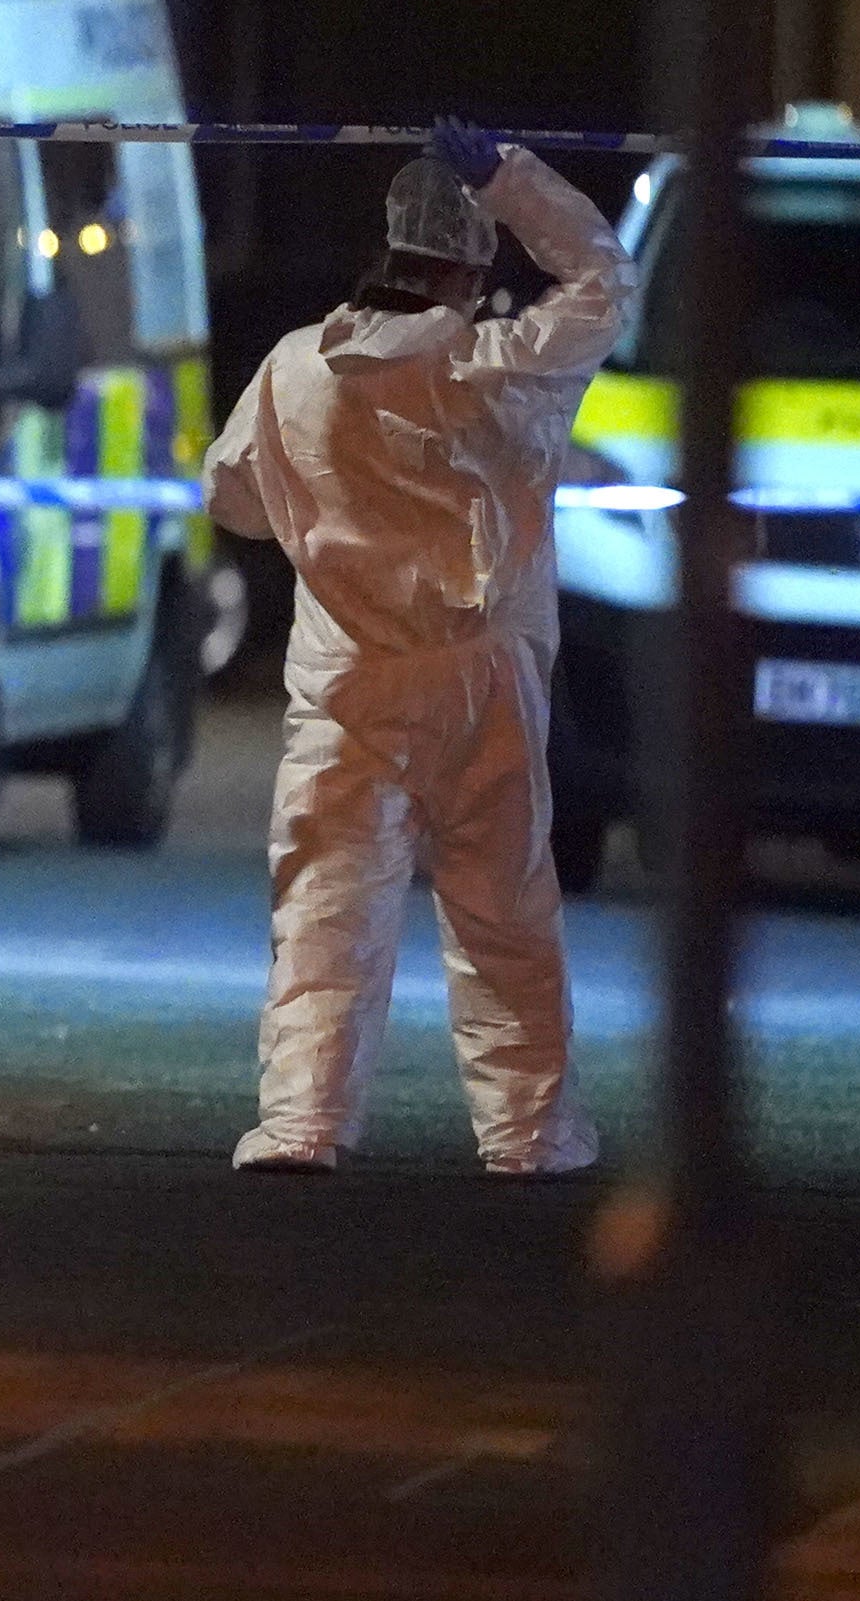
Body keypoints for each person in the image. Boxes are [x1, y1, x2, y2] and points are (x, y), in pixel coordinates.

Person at [201, 119, 633, 1177]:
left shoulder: (295, 367)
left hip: (346, 674)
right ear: (473, 264)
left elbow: (233, 502)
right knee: (502, 909)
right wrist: (515, 181)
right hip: (484, 671)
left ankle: (301, 1123)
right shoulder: (502, 369)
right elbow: (603, 278)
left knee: (325, 902)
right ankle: (527, 1134)